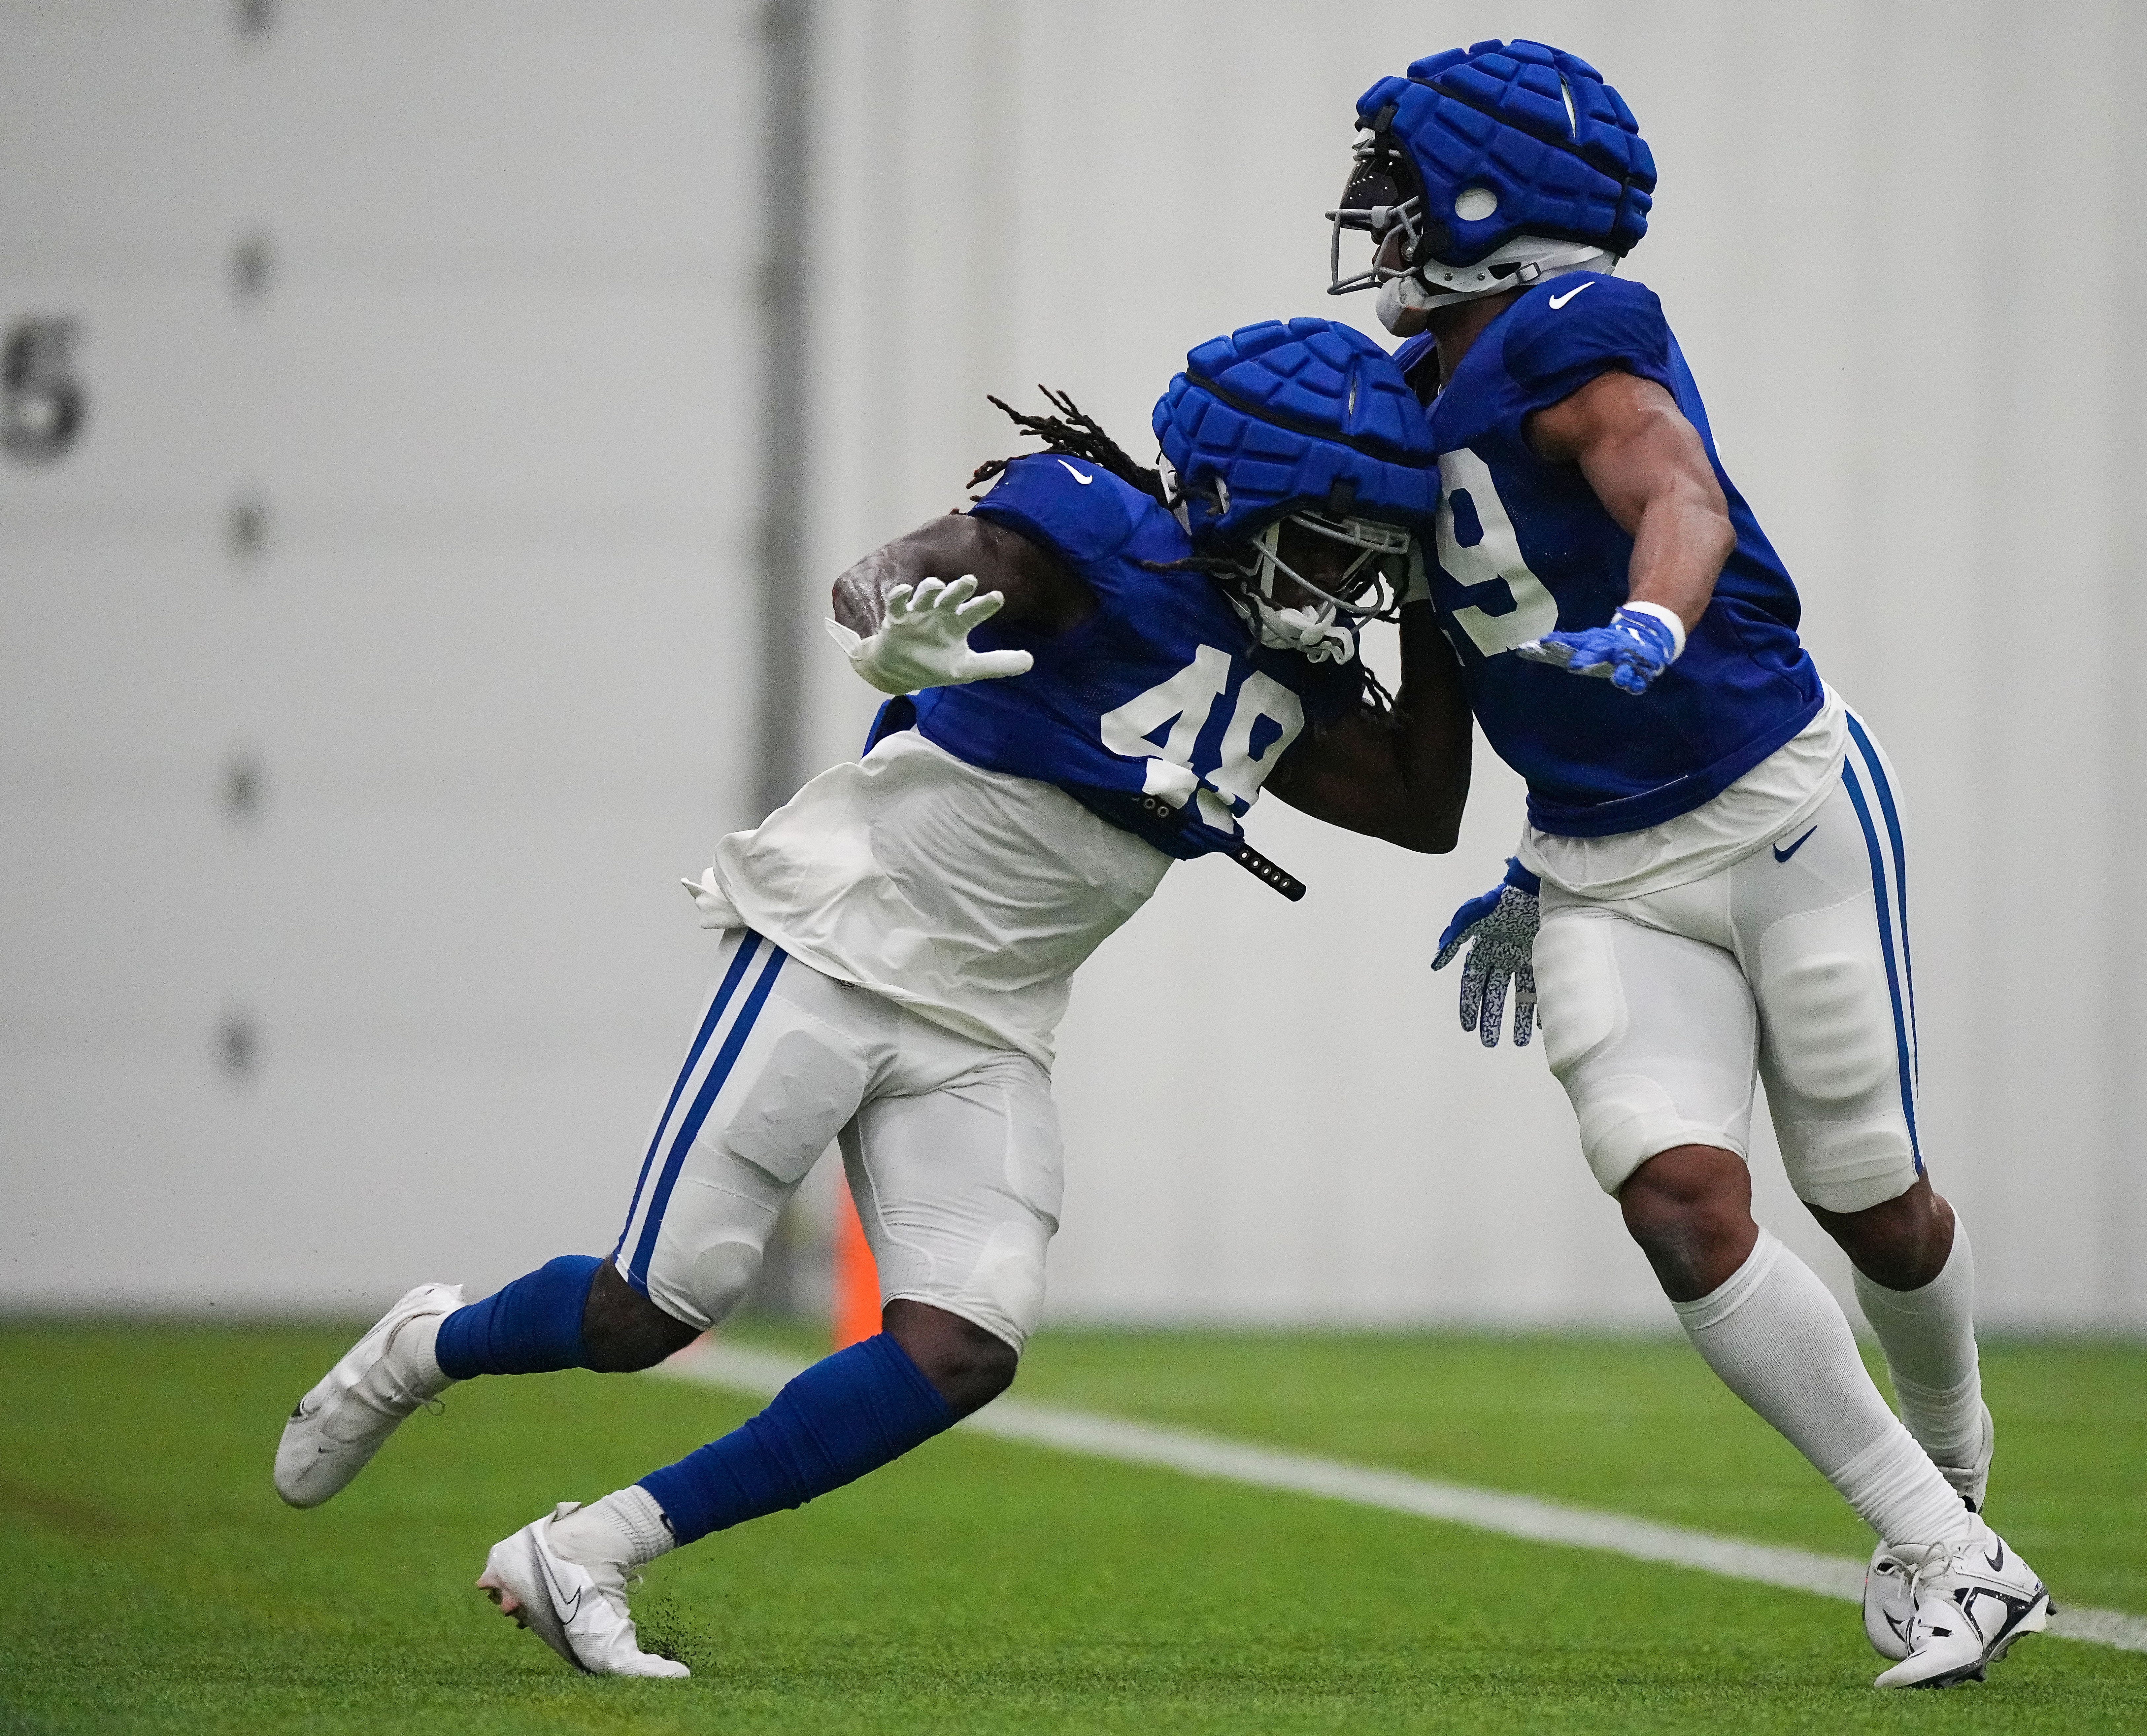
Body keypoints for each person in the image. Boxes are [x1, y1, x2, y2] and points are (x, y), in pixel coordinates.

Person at [271, 318, 1473, 1678]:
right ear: (1233, 491)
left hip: (991, 1021)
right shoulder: (1087, 535)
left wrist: (1431, 588)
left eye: (1371, 545)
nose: (1350, 575)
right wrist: (896, 638)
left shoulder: (1289, 665)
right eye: (1332, 536)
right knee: (653, 1307)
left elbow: (1422, 807)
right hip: (839, 946)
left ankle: (588, 1548)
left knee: (964, 1342)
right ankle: (421, 1348)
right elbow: (892, 575)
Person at [1325, 38, 2048, 1690]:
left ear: (1492, 197)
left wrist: (1653, 617)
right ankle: (1941, 1547)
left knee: (1878, 1209)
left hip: (1777, 801)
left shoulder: (1570, 331)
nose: (1371, 211)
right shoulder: (1404, 395)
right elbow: (1454, 684)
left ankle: (1957, 1459)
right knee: (1675, 1197)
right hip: (1595, 861)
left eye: (1399, 177)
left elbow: (1674, 485)